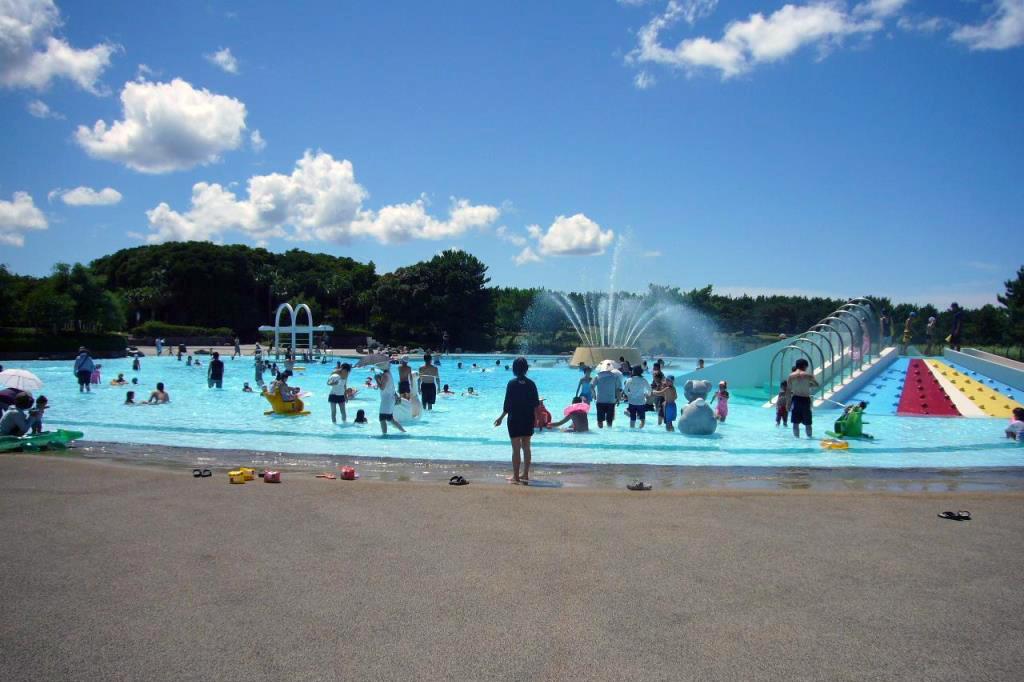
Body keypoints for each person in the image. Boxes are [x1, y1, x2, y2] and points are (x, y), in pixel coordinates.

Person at [494, 357, 540, 484]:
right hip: (528, 418)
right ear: (526, 369)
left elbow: (507, 405)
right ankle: (525, 474)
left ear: (514, 369)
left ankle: (516, 476)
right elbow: (536, 404)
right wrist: (538, 419)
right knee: (526, 446)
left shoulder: (512, 384)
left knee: (516, 448)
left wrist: (501, 418)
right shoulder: (531, 384)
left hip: (514, 418)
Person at [786, 359, 819, 438]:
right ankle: (810, 438)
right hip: (805, 400)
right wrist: (808, 385)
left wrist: (788, 403)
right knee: (808, 423)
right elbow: (816, 384)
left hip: (796, 399)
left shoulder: (791, 376)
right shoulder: (808, 375)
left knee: (795, 422)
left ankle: (797, 440)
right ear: (804, 366)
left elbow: (788, 390)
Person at [592, 364, 623, 429]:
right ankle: (608, 434)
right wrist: (618, 399)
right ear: (611, 369)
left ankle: (601, 434)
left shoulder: (597, 376)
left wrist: (594, 395)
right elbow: (618, 390)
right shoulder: (615, 377)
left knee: (600, 420)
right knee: (609, 421)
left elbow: (591, 386)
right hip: (611, 401)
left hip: (600, 400)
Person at [377, 370, 406, 435]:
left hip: (387, 400)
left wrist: (376, 379)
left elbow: (382, 388)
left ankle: (384, 435)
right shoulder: (388, 373)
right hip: (389, 399)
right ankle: (403, 431)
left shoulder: (385, 375)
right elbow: (388, 387)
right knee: (390, 418)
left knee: (382, 418)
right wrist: (379, 378)